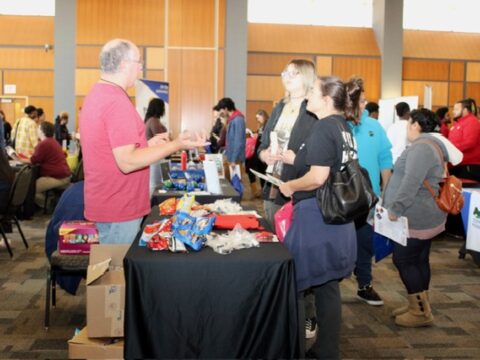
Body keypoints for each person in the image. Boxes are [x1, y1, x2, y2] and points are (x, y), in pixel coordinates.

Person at [79, 39, 207, 244]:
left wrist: (148, 145)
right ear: (123, 65)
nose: (141, 67)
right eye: (138, 62)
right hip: (119, 206)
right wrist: (175, 145)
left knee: (109, 268)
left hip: (106, 200)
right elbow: (127, 162)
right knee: (116, 272)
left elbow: (111, 150)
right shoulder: (116, 102)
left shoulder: (97, 94)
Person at [278, 76, 358, 358]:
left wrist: (290, 186)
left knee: (295, 284)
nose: (308, 94)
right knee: (327, 286)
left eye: (313, 91)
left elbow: (318, 176)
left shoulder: (324, 126)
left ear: (326, 100)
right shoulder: (343, 126)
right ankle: (326, 351)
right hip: (334, 216)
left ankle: (294, 349)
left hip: (317, 216)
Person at [257, 59, 318, 339]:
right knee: (277, 252)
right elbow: (261, 146)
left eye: (293, 73)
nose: (286, 77)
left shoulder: (315, 110)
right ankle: (282, 310)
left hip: (301, 192)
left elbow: (321, 155)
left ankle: (308, 315)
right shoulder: (279, 107)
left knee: (301, 256)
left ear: (306, 77)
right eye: (285, 72)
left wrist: (299, 159)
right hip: (274, 188)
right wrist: (264, 155)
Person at [383, 109, 449, 327]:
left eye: (408, 124)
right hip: (424, 214)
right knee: (419, 259)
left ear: (416, 125)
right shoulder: (432, 144)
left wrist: (395, 209)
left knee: (403, 260)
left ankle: (420, 312)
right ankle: (420, 303)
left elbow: (410, 183)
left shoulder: (421, 148)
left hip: (415, 216)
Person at [347, 78, 393, 306]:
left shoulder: (375, 126)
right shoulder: (337, 125)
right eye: (361, 101)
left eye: (366, 101)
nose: (364, 105)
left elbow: (385, 159)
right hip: (341, 200)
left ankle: (364, 285)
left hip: (369, 199)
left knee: (365, 243)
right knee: (339, 244)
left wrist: (388, 192)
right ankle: (326, 290)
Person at [21, 121, 71, 208]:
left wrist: (17, 159)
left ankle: (49, 204)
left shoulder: (44, 143)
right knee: (33, 186)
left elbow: (33, 160)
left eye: (38, 128)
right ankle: (49, 202)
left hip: (58, 178)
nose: (37, 130)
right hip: (64, 175)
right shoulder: (52, 141)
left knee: (29, 188)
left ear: (42, 131)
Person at [216, 97, 251, 199]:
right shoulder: (232, 119)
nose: (221, 112)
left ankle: (237, 204)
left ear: (226, 108)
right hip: (230, 157)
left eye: (221, 110)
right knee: (230, 185)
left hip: (235, 159)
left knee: (236, 185)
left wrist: (234, 160)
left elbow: (239, 141)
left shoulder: (238, 119)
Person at [448, 98, 480, 181]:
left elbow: (470, 142)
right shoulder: (457, 123)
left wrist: (450, 149)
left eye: (456, 109)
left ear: (465, 110)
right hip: (457, 164)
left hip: (468, 166)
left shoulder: (472, 121)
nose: (453, 111)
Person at [144, 98, 168, 194]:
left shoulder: (150, 120)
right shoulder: (154, 121)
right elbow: (160, 138)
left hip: (152, 155)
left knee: (154, 185)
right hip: (155, 156)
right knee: (156, 185)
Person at [245, 109, 269, 197]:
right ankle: (260, 190)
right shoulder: (262, 126)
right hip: (258, 152)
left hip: (263, 152)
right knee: (256, 170)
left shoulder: (268, 125)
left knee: (262, 172)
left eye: (258, 118)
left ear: (263, 116)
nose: (257, 120)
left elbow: (265, 138)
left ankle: (264, 190)